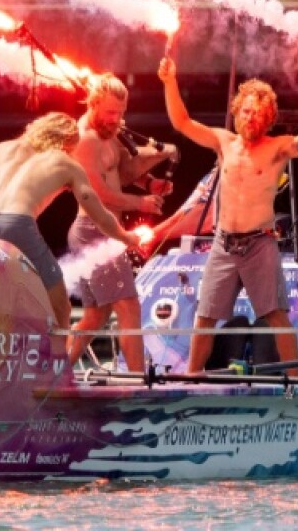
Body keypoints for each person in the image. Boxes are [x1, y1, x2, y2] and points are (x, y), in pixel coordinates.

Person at [158, 53, 298, 373]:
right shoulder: (223, 142)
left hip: (259, 244)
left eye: (258, 113)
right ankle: (191, 378)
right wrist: (169, 81)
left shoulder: (278, 148)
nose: (251, 118)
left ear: (269, 118)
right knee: (205, 315)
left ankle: (294, 382)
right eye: (246, 111)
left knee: (276, 316)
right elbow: (182, 122)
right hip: (224, 244)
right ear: (236, 112)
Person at [0, 111, 140, 331]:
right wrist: (125, 236)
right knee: (60, 304)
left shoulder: (5, 148)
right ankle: (57, 362)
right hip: (16, 224)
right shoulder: (66, 164)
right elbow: (99, 215)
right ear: (68, 142)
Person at [66, 73, 179, 373]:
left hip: (102, 232)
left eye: (120, 113)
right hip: (94, 231)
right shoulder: (85, 139)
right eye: (110, 112)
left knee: (95, 315)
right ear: (93, 104)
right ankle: (138, 381)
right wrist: (140, 203)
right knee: (128, 306)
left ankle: (56, 372)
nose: (116, 119)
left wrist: (150, 183)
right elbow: (98, 194)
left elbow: (121, 170)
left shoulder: (106, 133)